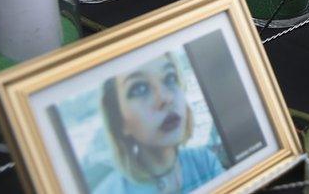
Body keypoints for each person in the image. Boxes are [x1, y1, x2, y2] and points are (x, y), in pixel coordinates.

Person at [95, 54, 224, 194]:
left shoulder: (205, 162)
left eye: (170, 78)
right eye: (140, 88)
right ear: (119, 121)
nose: (166, 98)